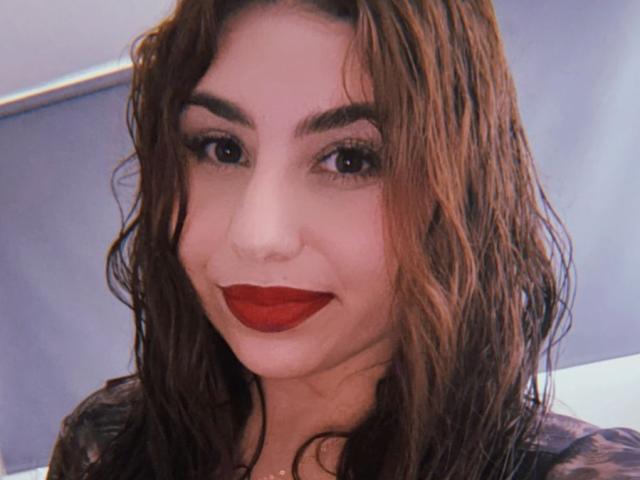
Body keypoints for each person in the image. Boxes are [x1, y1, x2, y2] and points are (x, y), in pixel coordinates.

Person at [46, 1, 640, 479]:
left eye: (350, 159)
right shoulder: (105, 442)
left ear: (459, 191)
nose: (258, 237)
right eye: (221, 149)